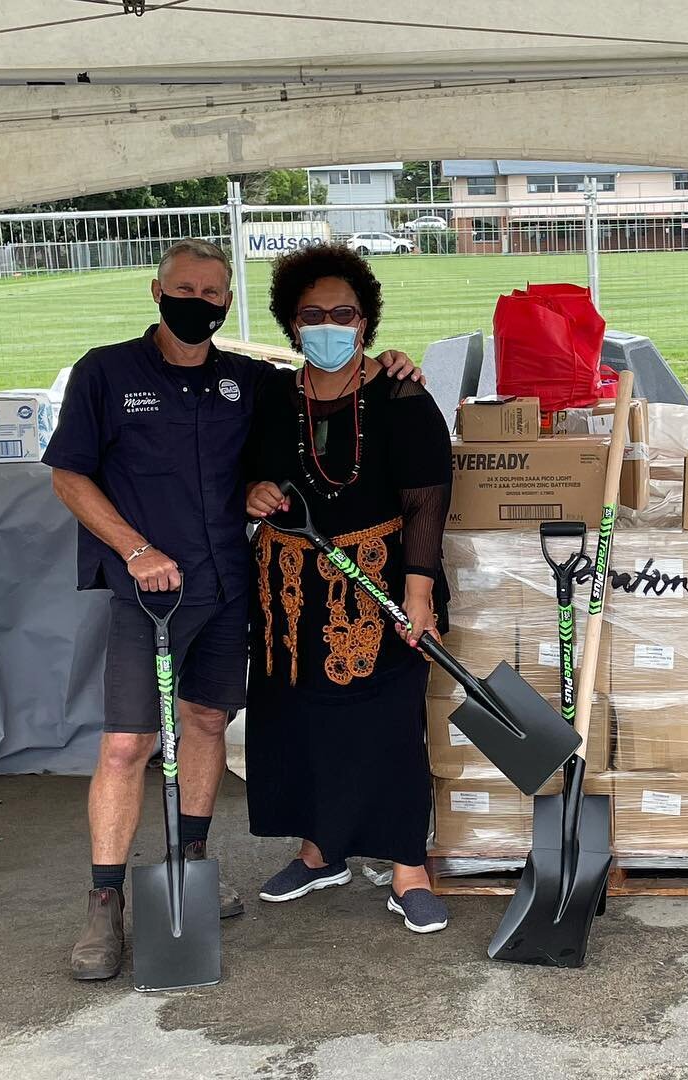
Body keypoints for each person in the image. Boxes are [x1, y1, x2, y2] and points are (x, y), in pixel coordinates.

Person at [45, 239, 424, 980]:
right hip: (144, 591)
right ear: (157, 291)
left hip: (224, 591)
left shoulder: (247, 382)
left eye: (214, 293)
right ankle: (104, 902)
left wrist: (391, 366)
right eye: (185, 289)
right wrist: (134, 549)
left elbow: (324, 385)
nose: (199, 302)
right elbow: (69, 476)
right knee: (127, 746)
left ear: (227, 303)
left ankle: (191, 861)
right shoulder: (106, 372)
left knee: (208, 723)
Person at [243, 243, 452, 934]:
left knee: (388, 725)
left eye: (344, 313)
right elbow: (241, 475)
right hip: (287, 595)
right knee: (300, 721)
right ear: (291, 323)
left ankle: (407, 868)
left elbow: (428, 501)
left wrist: (419, 595)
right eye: (313, 314)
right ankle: (320, 850)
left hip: (383, 586)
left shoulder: (402, 396)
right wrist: (255, 492)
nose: (329, 324)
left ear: (366, 322)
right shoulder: (270, 397)